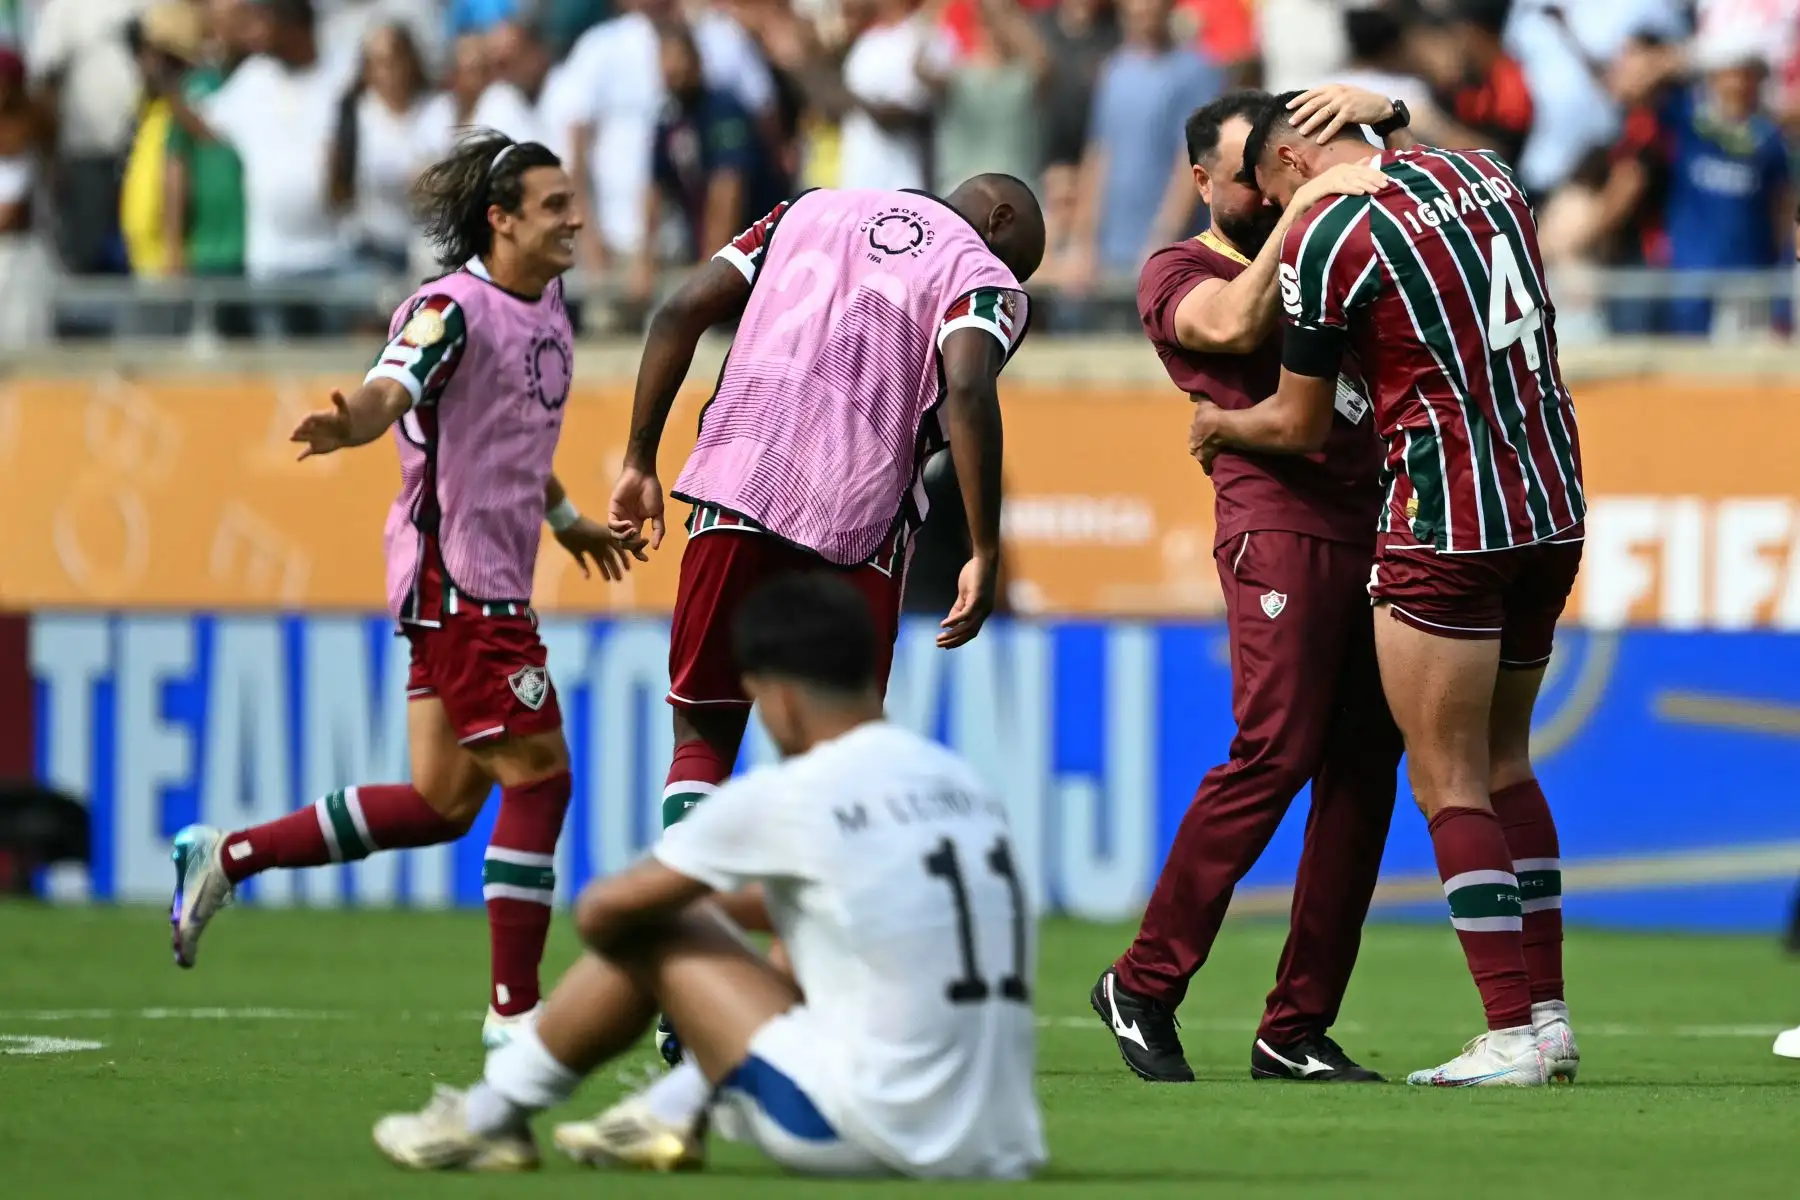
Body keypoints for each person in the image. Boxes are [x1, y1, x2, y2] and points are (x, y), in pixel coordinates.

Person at [166, 131, 647, 1052]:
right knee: (541, 780)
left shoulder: (545, 303)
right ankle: (514, 1017)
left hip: (487, 578)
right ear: (499, 221)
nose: (575, 219)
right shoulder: (449, 308)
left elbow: (511, 435)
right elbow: (394, 387)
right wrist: (353, 422)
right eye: (554, 206)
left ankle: (224, 858)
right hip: (461, 584)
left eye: (572, 201)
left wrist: (567, 516)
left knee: (440, 804)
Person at [371, 572, 1047, 1179]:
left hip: (867, 1138)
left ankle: (487, 1119)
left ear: (777, 697)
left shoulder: (795, 792)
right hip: (1002, 1142)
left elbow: (604, 916)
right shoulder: (960, 781)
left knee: (655, 922)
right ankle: (670, 1108)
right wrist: (777, 905)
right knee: (815, 927)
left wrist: (715, 909)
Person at [1193, 94, 1587, 1087]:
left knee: (1446, 776)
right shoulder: (1488, 174)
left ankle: (1509, 1036)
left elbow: (1296, 422)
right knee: (1506, 762)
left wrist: (1218, 428)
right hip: (1550, 501)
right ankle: (1548, 1019)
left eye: (1262, 177)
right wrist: (1395, 115)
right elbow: (1437, 148)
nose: (1261, 201)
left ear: (1291, 158)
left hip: (1446, 518)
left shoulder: (1328, 236)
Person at [604, 173, 1042, 1061]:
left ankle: (684, 964)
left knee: (704, 733)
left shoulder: (806, 209)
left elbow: (681, 309)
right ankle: (815, 991)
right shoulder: (980, 272)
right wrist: (985, 548)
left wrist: (640, 457)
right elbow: (965, 387)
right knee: (844, 759)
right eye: (1017, 253)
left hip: (737, 482)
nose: (1014, 272)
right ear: (996, 219)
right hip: (856, 524)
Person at [1094, 86, 1410, 1086]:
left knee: (1365, 770)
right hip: (1279, 523)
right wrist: (1314, 213)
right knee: (1273, 749)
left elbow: (1440, 209)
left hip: (1376, 519)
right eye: (1263, 178)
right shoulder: (1177, 267)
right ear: (1206, 183)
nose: (1284, 192)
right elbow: (1230, 327)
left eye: (1295, 172)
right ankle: (1142, 982)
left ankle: (1297, 1026)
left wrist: (1390, 129)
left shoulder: (1330, 243)